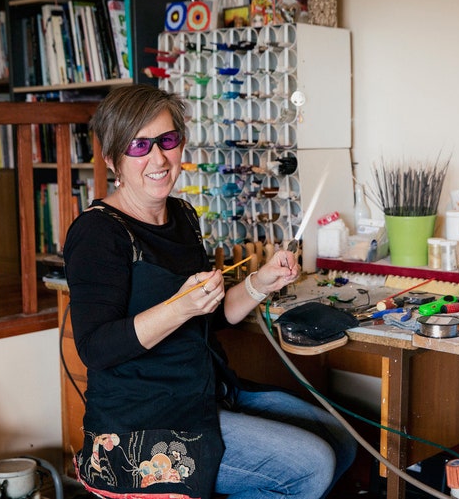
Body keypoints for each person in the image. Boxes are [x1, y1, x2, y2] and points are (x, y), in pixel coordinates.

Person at [63, 84, 356, 499]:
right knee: (311, 466)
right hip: (140, 425)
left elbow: (209, 317)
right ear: (113, 160)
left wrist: (259, 283)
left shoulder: (182, 215)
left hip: (203, 393)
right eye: (139, 146)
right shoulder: (98, 232)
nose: (158, 158)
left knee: (342, 438)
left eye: (167, 140)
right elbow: (95, 348)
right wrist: (177, 308)